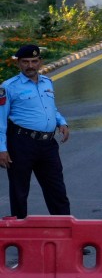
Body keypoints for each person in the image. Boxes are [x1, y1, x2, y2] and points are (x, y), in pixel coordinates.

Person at [0, 44, 72, 218]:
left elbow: (50, 108)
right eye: (25, 62)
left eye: (34, 61)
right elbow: (0, 120)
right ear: (18, 64)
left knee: (57, 191)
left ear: (40, 62)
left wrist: (61, 122)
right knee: (19, 192)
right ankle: (20, 240)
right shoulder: (8, 87)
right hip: (21, 144)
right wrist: (2, 149)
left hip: (47, 145)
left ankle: (65, 236)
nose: (30, 65)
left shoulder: (47, 82)